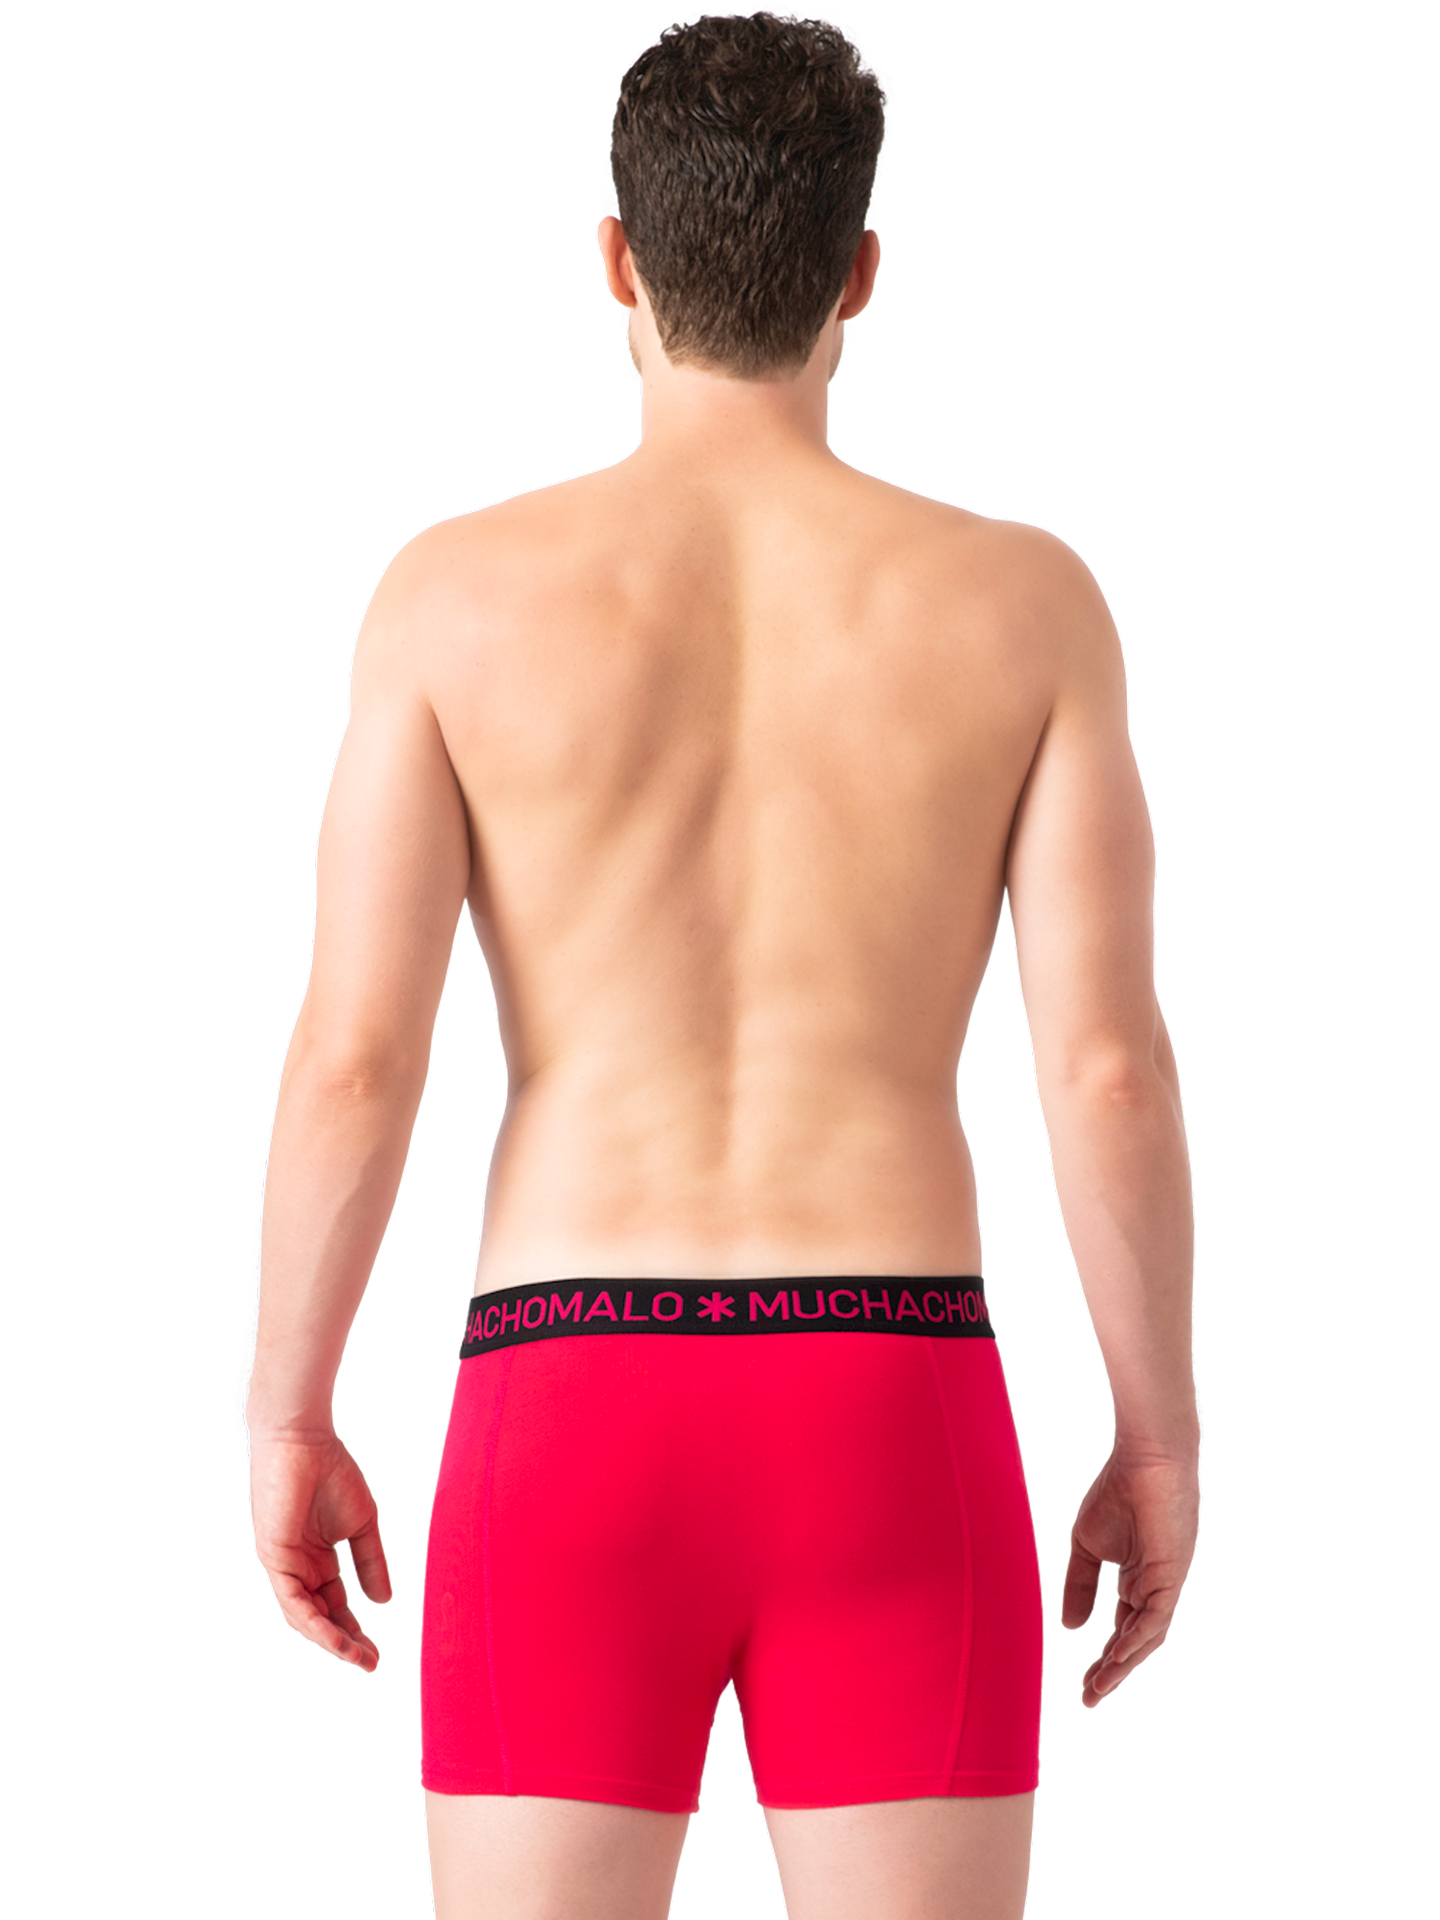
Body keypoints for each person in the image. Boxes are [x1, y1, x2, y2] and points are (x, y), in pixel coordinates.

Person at [242, 11, 1202, 1918]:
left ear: (616, 258)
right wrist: (1157, 1427)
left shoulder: (452, 596)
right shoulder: (1027, 603)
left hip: (563, 1398)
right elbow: (1100, 1061)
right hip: (892, 1396)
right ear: (862, 271)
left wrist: (287, 1408)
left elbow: (356, 1053)